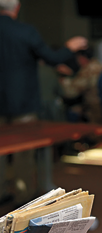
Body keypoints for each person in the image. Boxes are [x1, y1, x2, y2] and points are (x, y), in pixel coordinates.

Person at [0, 0, 87, 204]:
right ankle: (22, 198)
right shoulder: (25, 31)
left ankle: (2, 193)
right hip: (23, 103)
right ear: (17, 8)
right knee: (23, 152)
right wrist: (70, 47)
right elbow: (51, 58)